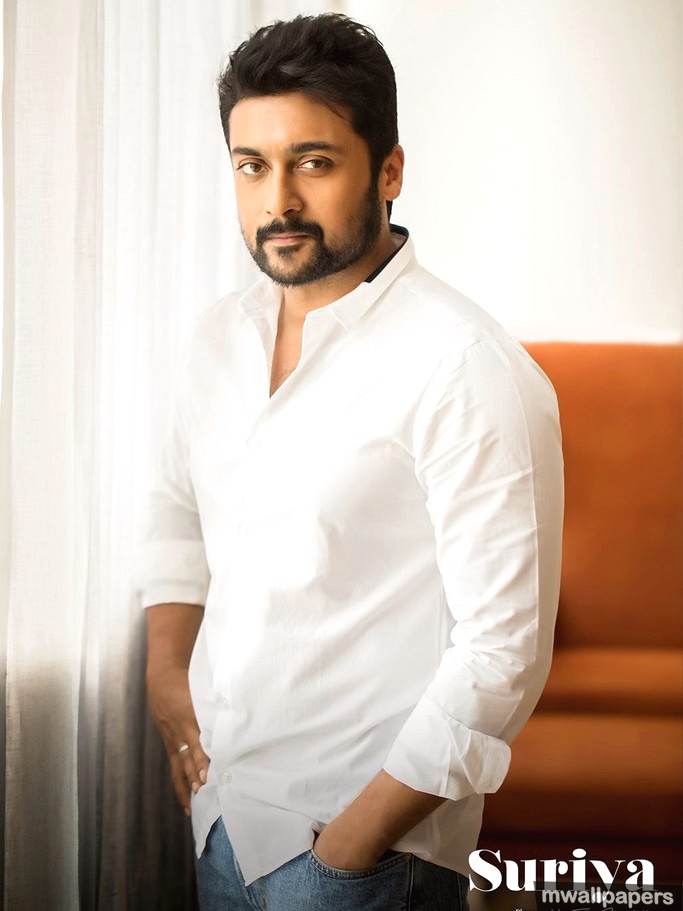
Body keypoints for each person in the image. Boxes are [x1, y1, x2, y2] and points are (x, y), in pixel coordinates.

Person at [138, 13, 564, 911]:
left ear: (389, 171)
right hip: (221, 819)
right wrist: (166, 676)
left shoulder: (467, 367)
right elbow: (177, 511)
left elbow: (501, 651)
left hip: (357, 855)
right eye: (251, 165)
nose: (278, 201)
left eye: (314, 162)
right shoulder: (215, 339)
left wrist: (354, 842)